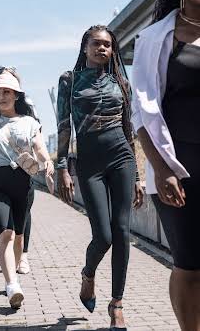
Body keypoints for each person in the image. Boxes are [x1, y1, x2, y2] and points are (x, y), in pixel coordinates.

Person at [56, 25, 143, 330]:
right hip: (89, 163)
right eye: (96, 44)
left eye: (107, 45)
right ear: (85, 47)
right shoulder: (69, 80)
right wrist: (61, 167)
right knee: (103, 236)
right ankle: (88, 274)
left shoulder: (120, 80)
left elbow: (129, 127)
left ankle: (117, 304)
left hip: (121, 157)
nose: (102, 49)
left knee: (122, 231)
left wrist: (137, 177)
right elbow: (64, 126)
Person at [131, 0, 200, 329]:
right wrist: (161, 169)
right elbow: (141, 113)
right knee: (189, 265)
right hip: (179, 167)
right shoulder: (156, 38)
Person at [0, 67, 54, 309]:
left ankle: (14, 278)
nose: (1, 97)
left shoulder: (29, 122)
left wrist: (47, 162)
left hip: (23, 183)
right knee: (5, 234)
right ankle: (12, 286)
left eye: (7, 91)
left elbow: (39, 148)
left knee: (19, 237)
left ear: (17, 95)